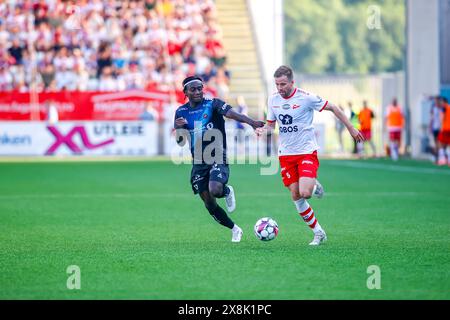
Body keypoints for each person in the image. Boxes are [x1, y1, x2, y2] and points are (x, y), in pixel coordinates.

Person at [256, 66, 364, 246]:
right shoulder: (273, 99)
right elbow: (271, 125)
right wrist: (263, 130)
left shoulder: (306, 98)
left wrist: (351, 128)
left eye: (283, 84)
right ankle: (318, 233)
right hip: (286, 154)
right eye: (277, 84)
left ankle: (312, 185)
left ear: (292, 82)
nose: (280, 88)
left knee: (305, 192)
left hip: (306, 151)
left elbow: (334, 107)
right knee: (296, 196)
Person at [174, 76, 265, 242]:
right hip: (198, 161)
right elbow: (180, 142)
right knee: (209, 203)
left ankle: (227, 190)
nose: (197, 92)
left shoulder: (213, 104)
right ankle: (234, 229)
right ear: (185, 92)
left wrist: (251, 122)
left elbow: (232, 114)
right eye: (193, 89)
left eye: (200, 88)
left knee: (215, 189)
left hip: (217, 153)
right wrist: (179, 128)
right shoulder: (181, 112)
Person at [437, 96, 450, 166]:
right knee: (448, 144)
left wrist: (441, 127)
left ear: (444, 102)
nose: (441, 103)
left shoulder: (444, 108)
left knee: (440, 143)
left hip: (445, 128)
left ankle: (442, 159)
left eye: (441, 101)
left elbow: (442, 117)